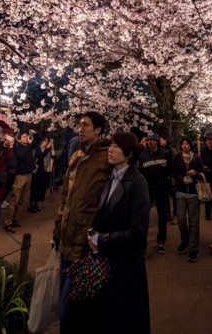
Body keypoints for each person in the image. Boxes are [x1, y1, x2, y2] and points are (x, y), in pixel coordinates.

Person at [52, 111, 110, 334]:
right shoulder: (75, 156)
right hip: (66, 235)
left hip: (86, 241)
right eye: (79, 125)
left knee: (73, 306)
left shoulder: (107, 157)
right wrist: (57, 228)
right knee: (64, 302)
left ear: (98, 130)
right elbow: (65, 197)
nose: (80, 128)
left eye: (86, 125)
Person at [87, 131, 150, 334]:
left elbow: (138, 234)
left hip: (126, 268)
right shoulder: (109, 178)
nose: (110, 149)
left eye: (116, 146)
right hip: (106, 264)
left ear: (129, 153)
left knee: (123, 320)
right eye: (110, 145)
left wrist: (101, 240)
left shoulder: (138, 183)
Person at [172, 137, 204, 262]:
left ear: (191, 145)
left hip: (194, 193)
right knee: (180, 218)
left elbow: (202, 172)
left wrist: (195, 172)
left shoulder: (196, 158)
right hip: (180, 192)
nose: (185, 146)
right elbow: (174, 172)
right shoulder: (177, 157)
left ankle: (193, 249)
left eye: (187, 144)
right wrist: (181, 179)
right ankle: (185, 240)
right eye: (183, 144)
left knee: (194, 222)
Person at [138, 132, 171, 254]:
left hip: (162, 189)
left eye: (153, 140)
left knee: (162, 217)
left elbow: (169, 170)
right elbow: (139, 173)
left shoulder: (165, 154)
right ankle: (143, 245)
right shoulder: (142, 156)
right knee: (144, 217)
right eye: (149, 140)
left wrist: (168, 184)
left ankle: (161, 241)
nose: (150, 142)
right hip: (148, 190)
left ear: (157, 141)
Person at [4, 130, 39, 233]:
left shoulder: (28, 146)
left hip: (29, 175)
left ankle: (13, 219)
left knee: (22, 200)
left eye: (27, 136)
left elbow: (37, 140)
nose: (26, 138)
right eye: (24, 136)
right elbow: (21, 155)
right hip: (20, 176)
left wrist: (34, 134)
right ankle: (8, 223)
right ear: (19, 139)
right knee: (15, 199)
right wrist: (29, 144)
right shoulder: (17, 147)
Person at [28, 136, 54, 212]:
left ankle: (35, 204)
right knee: (35, 188)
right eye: (44, 141)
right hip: (38, 171)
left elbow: (53, 157)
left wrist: (52, 148)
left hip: (45, 171)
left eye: (47, 141)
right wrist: (48, 148)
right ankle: (30, 205)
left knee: (42, 189)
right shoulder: (38, 148)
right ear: (41, 142)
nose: (46, 142)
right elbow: (41, 156)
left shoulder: (48, 149)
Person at [160, 135, 177, 224]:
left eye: (161, 139)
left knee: (174, 196)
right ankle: (168, 213)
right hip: (163, 176)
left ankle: (175, 214)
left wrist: (173, 175)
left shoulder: (171, 150)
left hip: (171, 175)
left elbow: (175, 162)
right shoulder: (159, 150)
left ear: (165, 140)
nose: (159, 141)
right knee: (165, 196)